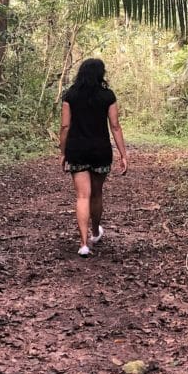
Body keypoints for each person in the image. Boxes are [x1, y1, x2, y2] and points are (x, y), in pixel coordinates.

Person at [59, 58, 128, 257]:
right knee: (96, 194)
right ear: (101, 74)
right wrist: (123, 154)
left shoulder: (70, 95)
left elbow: (65, 126)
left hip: (77, 150)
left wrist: (63, 152)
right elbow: (115, 126)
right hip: (100, 151)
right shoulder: (107, 96)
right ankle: (95, 232)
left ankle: (83, 244)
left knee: (82, 196)